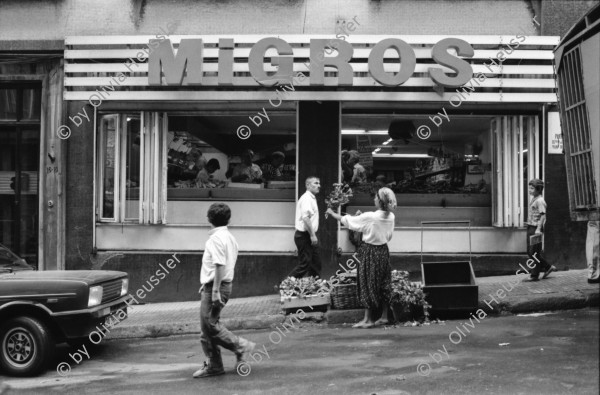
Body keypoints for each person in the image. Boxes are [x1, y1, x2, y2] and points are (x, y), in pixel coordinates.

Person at [194, 203, 255, 378]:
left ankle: (241, 346)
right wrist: (208, 282)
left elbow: (220, 264)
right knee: (207, 328)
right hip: (220, 285)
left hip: (217, 287)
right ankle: (215, 365)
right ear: (228, 219)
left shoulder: (215, 239)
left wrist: (214, 290)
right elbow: (225, 264)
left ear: (208, 218)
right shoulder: (229, 237)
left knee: (209, 326)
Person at [326, 187, 396, 328]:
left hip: (369, 251)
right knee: (384, 283)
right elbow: (386, 234)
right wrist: (363, 218)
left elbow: (350, 221)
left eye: (376, 197)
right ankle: (384, 316)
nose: (374, 199)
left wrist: (332, 213)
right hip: (383, 250)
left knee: (366, 282)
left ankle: (368, 320)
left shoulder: (371, 216)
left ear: (380, 201)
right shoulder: (391, 216)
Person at [288, 177, 322, 278]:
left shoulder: (311, 197)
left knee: (315, 263)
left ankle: (315, 287)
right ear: (307, 185)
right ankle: (284, 285)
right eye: (315, 183)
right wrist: (312, 235)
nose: (319, 186)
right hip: (304, 235)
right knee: (305, 264)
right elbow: (305, 218)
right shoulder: (307, 198)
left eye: (319, 183)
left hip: (308, 235)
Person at [525, 179, 556, 281]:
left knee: (534, 252)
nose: (529, 190)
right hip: (530, 227)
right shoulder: (534, 199)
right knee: (530, 252)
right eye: (529, 187)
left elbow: (543, 216)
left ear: (538, 189)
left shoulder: (540, 201)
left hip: (535, 228)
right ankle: (547, 267)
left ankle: (534, 275)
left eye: (532, 188)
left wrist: (538, 229)